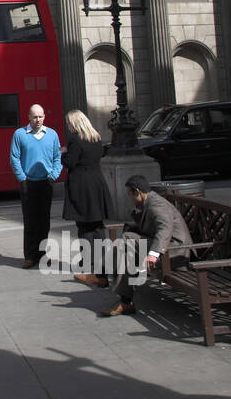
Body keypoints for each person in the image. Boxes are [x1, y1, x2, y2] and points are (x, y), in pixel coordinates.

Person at [98, 175, 193, 318]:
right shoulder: (149, 202)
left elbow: (164, 229)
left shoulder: (157, 205)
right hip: (167, 248)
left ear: (137, 191)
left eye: (130, 195)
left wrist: (153, 254)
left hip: (175, 253)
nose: (130, 199)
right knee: (127, 249)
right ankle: (124, 301)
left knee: (127, 240)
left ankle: (102, 275)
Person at [62, 109, 113, 287]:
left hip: (82, 186)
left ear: (74, 123)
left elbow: (70, 163)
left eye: (69, 123)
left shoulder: (76, 140)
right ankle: (101, 268)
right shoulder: (96, 137)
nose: (68, 126)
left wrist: (63, 153)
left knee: (84, 227)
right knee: (98, 227)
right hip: (97, 183)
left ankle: (92, 269)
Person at [10, 103, 62, 268]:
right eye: (35, 117)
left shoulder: (52, 134)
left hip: (45, 182)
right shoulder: (19, 134)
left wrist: (53, 176)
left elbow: (57, 157)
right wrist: (22, 178)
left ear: (44, 117)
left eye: (40, 116)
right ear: (29, 117)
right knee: (30, 221)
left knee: (44, 221)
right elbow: (14, 157)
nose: (38, 120)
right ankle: (30, 256)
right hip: (28, 183)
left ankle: (43, 254)